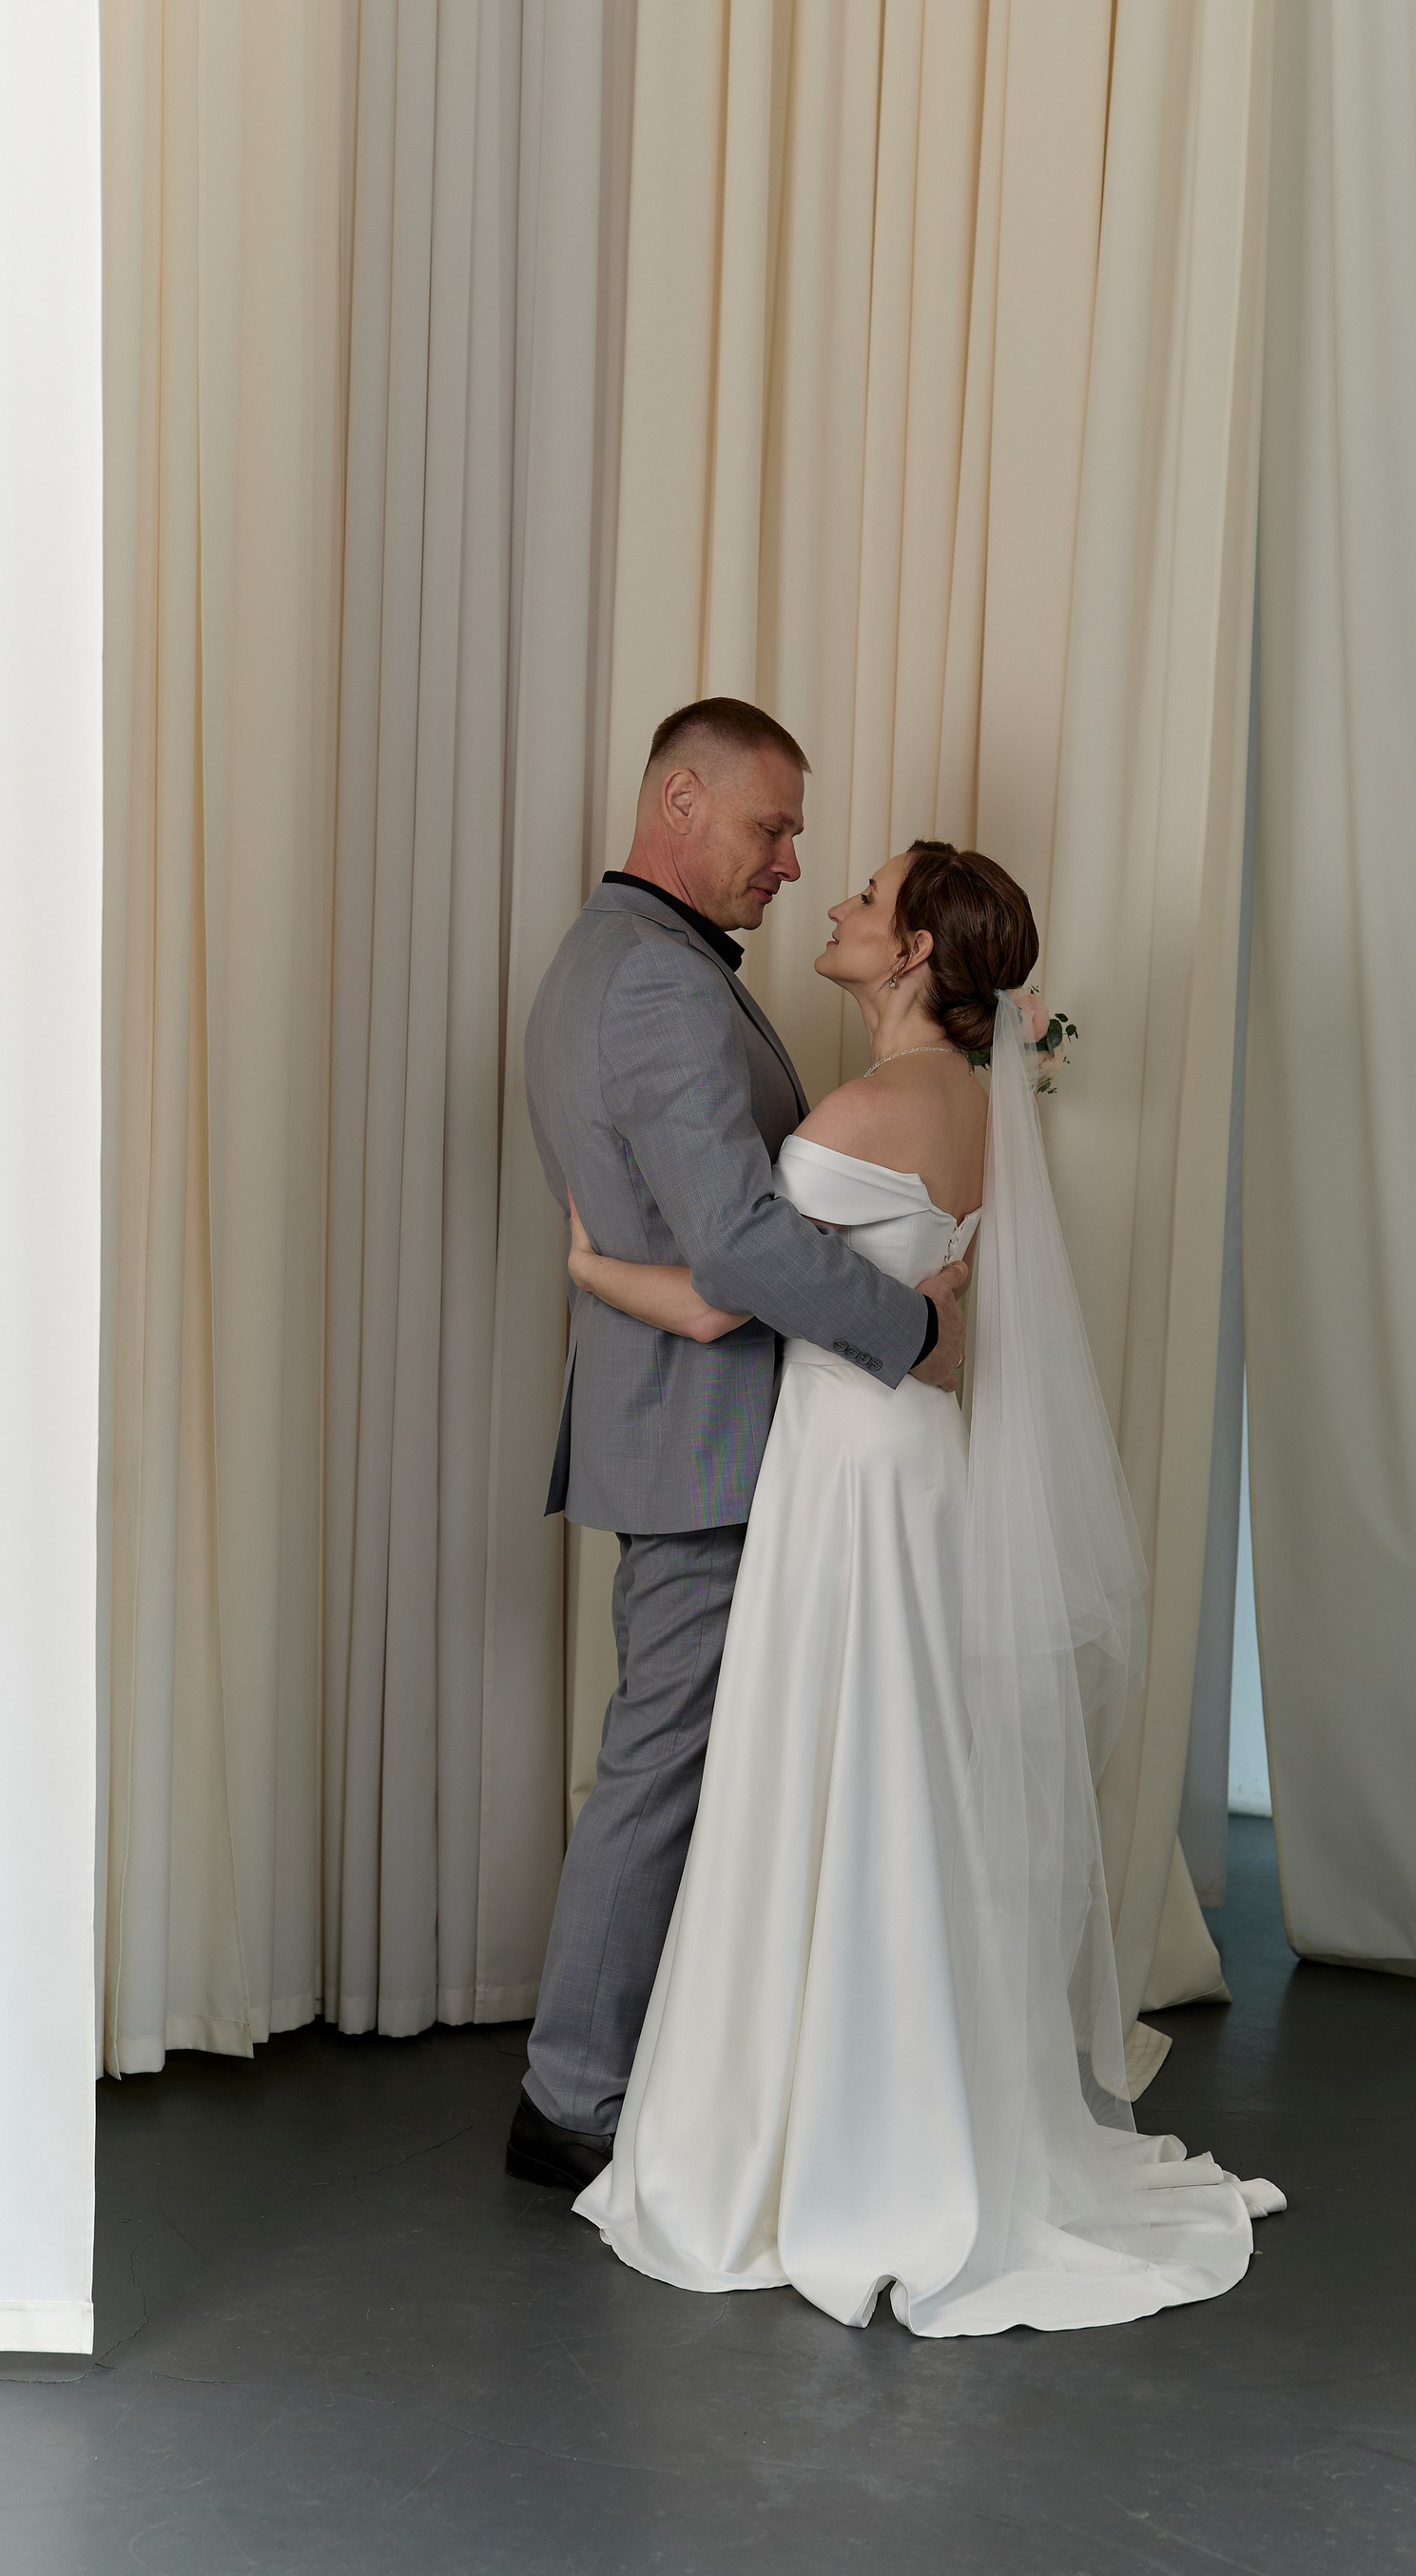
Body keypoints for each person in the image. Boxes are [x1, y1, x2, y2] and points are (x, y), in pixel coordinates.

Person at [561, 836, 1285, 2335]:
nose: (832, 899)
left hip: (846, 1474)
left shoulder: (864, 1111)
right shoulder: (963, 1103)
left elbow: (728, 1292)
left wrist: (592, 1268)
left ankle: (824, 2122)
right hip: (912, 1467)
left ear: (909, 954)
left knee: (827, 1768)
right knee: (896, 1773)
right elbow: (915, 1303)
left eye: (868, 897)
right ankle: (905, 2089)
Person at [507, 700, 969, 2196]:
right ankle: (571, 2098)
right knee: (660, 1767)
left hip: (700, 1428)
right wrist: (912, 1328)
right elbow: (739, 1245)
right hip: (702, 1439)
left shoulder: (631, 960)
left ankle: (665, 2072)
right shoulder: (655, 980)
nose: (790, 862)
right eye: (772, 828)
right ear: (683, 801)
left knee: (688, 1763)